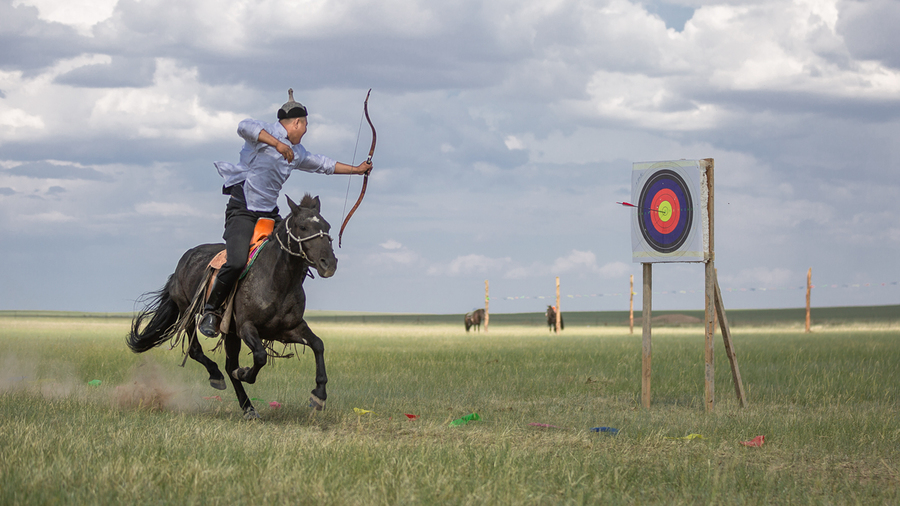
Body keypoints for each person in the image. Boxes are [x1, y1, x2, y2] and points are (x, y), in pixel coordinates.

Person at [199, 89, 372, 338]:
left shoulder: (297, 153)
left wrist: (356, 170)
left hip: (270, 214)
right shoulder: (264, 133)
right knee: (236, 261)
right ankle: (210, 311)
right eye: (306, 126)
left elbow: (323, 164)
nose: (306, 131)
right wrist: (277, 143)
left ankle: (280, 312)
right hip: (243, 209)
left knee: (295, 256)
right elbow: (243, 126)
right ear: (297, 122)